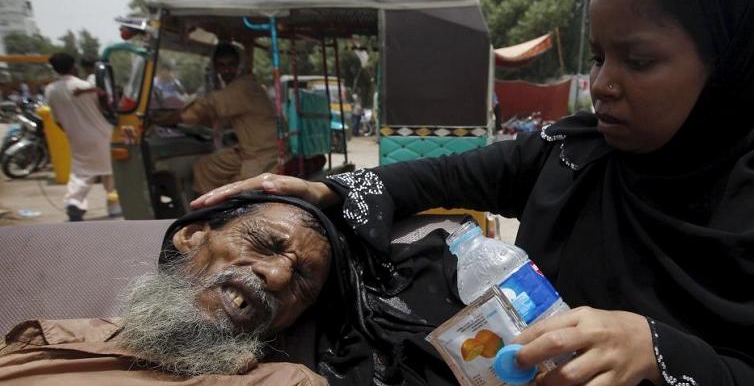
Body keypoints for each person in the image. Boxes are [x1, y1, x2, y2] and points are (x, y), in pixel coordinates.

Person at [191, 0, 754, 384]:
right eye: (601, 55)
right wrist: (332, 191)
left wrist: (658, 351)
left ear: (727, 68)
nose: (602, 83)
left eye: (638, 61)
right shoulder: (576, 154)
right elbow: (442, 175)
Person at [0, 193, 464, 385]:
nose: (278, 277)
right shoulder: (45, 343)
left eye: (302, 281)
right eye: (264, 243)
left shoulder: (282, 383)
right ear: (191, 236)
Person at [152, 43, 281, 195]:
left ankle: (209, 212)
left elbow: (208, 106)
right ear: (216, 68)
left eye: (231, 65)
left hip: (262, 155)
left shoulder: (242, 88)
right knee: (205, 165)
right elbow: (218, 116)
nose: (226, 70)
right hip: (253, 149)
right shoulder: (243, 85)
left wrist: (168, 118)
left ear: (239, 65)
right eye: (221, 65)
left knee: (205, 169)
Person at [45, 53, 121, 221]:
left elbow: (57, 120)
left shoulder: (50, 90)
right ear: (73, 67)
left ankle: (74, 203)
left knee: (81, 174)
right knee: (112, 174)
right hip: (103, 134)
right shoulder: (86, 87)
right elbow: (107, 107)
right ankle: (115, 207)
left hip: (76, 137)